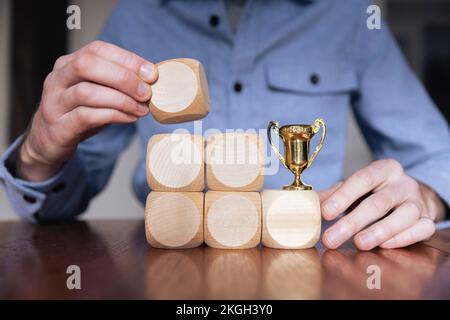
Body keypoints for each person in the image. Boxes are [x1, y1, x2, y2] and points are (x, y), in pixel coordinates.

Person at [1, 0, 449, 251]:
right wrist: (38, 157)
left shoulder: (349, 17)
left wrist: (427, 195)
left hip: (308, 258)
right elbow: (72, 191)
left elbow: (439, 155)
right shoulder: (134, 18)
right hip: (169, 255)